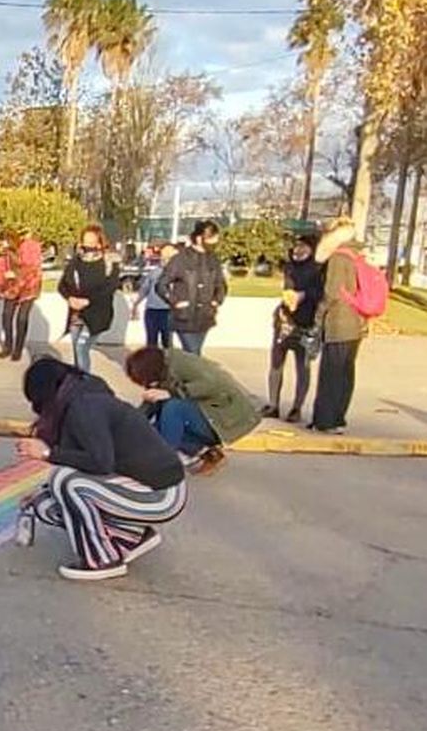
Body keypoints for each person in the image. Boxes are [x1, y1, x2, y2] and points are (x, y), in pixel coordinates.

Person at [15, 357, 187, 582]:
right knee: (44, 504)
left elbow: (100, 462)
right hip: (138, 484)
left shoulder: (84, 406)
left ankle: (101, 559)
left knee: (65, 481)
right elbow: (91, 462)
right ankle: (132, 537)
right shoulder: (82, 394)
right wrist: (42, 489)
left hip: (162, 493)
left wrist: (48, 453)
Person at [123, 343, 261, 474]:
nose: (148, 384)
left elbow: (211, 384)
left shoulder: (182, 363)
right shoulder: (159, 371)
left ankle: (164, 463)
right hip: (205, 411)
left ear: (151, 370)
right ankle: (207, 453)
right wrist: (130, 423)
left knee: (173, 408)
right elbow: (150, 405)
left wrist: (173, 393)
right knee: (152, 429)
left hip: (226, 416)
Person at [312, 217, 367, 433]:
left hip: (338, 322)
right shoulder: (357, 255)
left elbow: (331, 292)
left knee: (331, 374)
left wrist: (319, 314)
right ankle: (338, 418)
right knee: (345, 374)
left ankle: (326, 420)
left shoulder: (337, 258)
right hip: (356, 322)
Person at [262, 234, 323, 421]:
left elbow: (321, 293)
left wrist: (303, 295)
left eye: (304, 247)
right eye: (297, 246)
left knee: (302, 366)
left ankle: (297, 407)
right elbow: (287, 289)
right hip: (285, 320)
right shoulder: (289, 267)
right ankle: (273, 404)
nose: (298, 250)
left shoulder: (319, 269)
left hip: (307, 323)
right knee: (276, 362)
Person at [157, 219, 228, 353]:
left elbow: (221, 284)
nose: (214, 244)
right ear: (200, 238)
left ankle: (182, 372)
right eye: (211, 239)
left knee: (194, 353)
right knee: (193, 352)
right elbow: (161, 285)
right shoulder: (180, 259)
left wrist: (216, 301)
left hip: (205, 316)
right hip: (184, 316)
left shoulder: (213, 259)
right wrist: (175, 301)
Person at [58, 224, 121, 373]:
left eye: (92, 240)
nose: (88, 244)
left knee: (81, 347)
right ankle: (78, 380)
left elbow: (109, 288)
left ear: (100, 242)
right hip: (76, 314)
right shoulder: (75, 262)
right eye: (85, 240)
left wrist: (88, 301)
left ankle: (85, 384)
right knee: (76, 350)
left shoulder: (109, 263)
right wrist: (69, 298)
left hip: (96, 314)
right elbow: (62, 285)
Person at [0, 229, 42, 363]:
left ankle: (17, 349)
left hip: (29, 286)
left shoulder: (29, 247)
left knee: (22, 318)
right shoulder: (4, 258)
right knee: (6, 315)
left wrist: (17, 275)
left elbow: (33, 267)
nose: (2, 247)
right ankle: (8, 346)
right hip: (12, 288)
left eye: (4, 244)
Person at [135, 242, 176, 348]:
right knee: (151, 342)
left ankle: (167, 363)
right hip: (152, 311)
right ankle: (152, 363)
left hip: (167, 311)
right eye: (164, 254)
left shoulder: (177, 274)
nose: (165, 257)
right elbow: (144, 289)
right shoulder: (154, 272)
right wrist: (136, 304)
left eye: (169, 255)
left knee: (167, 342)